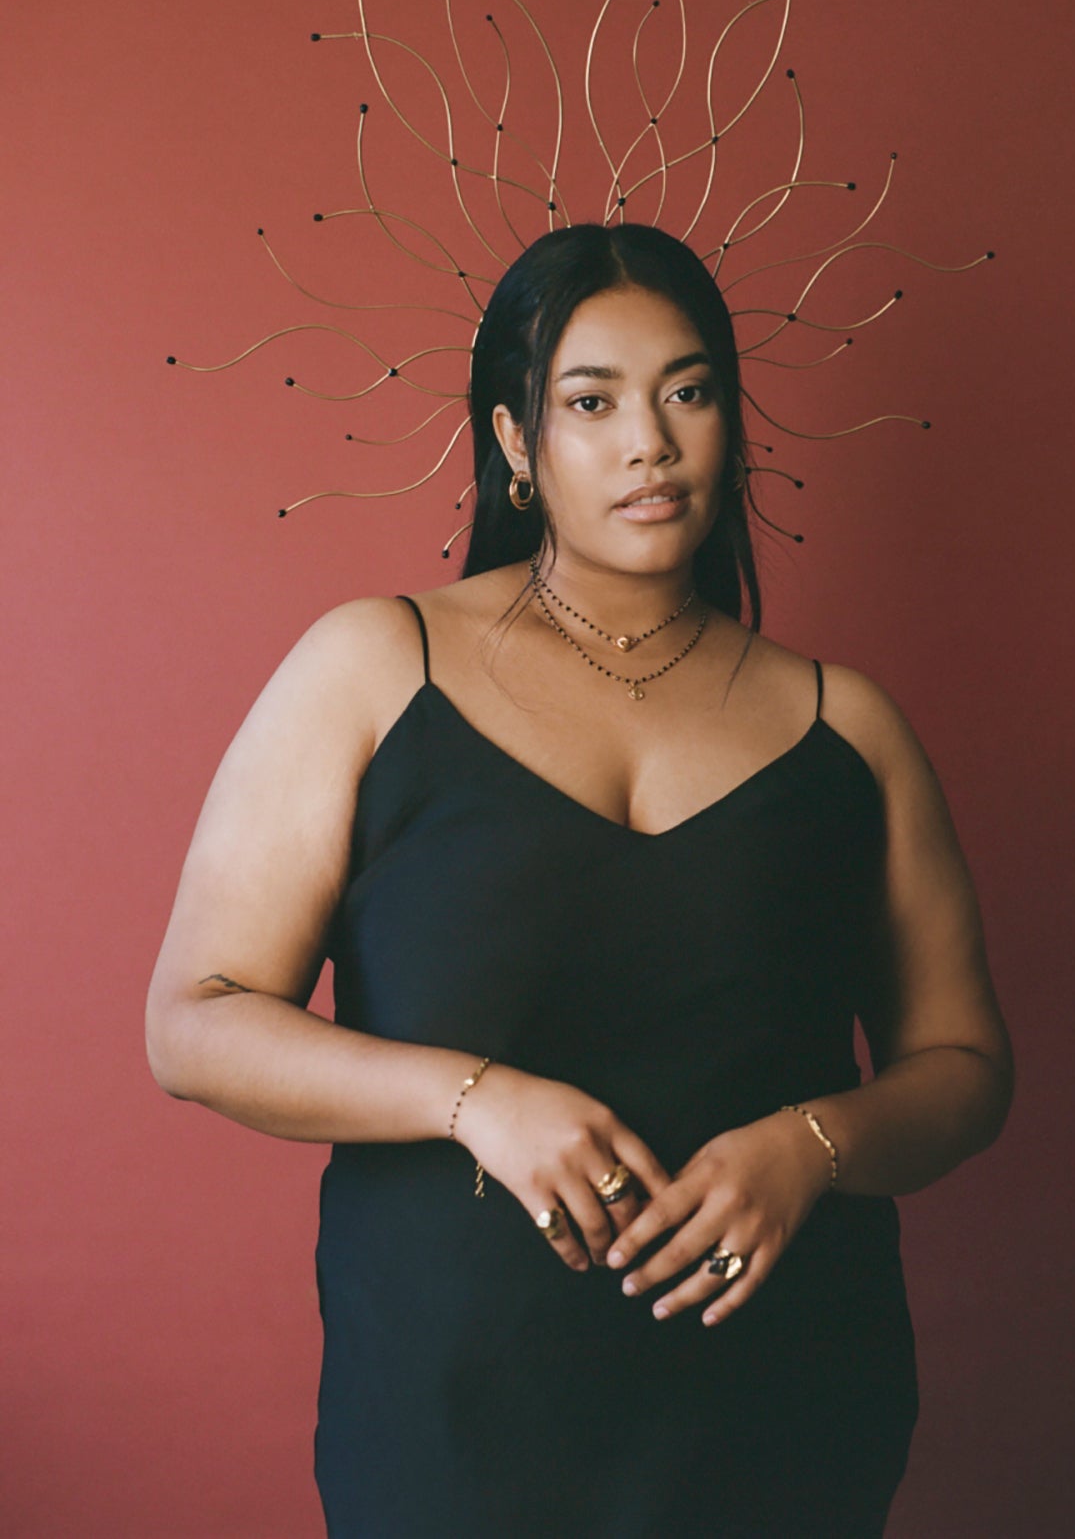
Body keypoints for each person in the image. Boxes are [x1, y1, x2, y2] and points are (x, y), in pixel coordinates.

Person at [145, 221, 1014, 1538]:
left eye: (688, 390)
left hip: (783, 1411)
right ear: (512, 442)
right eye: (591, 401)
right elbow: (193, 1019)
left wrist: (810, 1147)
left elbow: (963, 1063)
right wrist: (472, 1099)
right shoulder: (376, 668)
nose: (648, 443)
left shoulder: (848, 727)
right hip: (459, 1421)